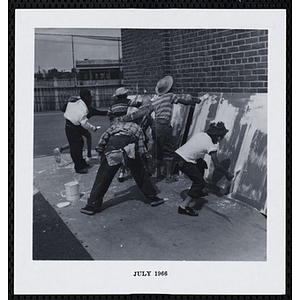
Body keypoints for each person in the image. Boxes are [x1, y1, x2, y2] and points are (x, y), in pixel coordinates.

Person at [117, 75, 200, 183]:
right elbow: (184, 102)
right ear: (169, 88)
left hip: (155, 126)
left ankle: (159, 175)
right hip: (164, 126)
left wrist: (128, 119)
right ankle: (169, 176)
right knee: (168, 150)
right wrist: (194, 102)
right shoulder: (171, 96)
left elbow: (145, 112)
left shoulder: (156, 100)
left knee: (159, 149)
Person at [80, 119, 165, 216]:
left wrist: (101, 150)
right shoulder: (137, 127)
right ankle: (152, 197)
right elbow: (141, 147)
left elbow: (104, 137)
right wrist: (146, 157)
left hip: (112, 145)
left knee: (103, 176)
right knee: (139, 173)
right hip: (129, 147)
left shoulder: (116, 125)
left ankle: (92, 205)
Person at [173, 121, 234, 216]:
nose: (220, 140)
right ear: (217, 136)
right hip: (184, 161)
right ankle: (183, 207)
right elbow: (217, 165)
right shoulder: (210, 145)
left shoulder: (200, 134)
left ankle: (198, 190)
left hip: (177, 156)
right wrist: (227, 174)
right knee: (199, 182)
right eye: (220, 138)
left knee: (201, 163)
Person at [54, 97, 107, 164]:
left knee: (78, 140)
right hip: (77, 125)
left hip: (76, 124)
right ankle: (88, 155)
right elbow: (101, 113)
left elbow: (64, 109)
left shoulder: (82, 107)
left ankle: (60, 149)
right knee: (79, 140)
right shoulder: (89, 109)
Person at [63, 89, 101, 174]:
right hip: (71, 127)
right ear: (87, 97)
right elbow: (84, 124)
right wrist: (93, 128)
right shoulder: (83, 109)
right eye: (90, 97)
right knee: (75, 147)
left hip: (73, 125)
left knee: (79, 144)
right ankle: (78, 167)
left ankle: (82, 163)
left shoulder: (78, 102)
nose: (91, 99)